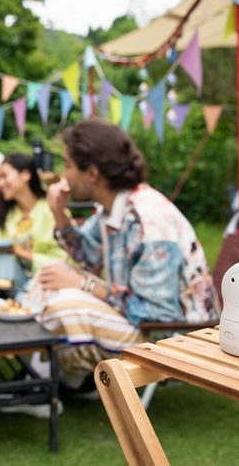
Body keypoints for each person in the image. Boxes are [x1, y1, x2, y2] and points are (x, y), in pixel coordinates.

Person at [38, 119, 220, 384]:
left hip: (175, 338)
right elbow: (87, 256)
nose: (63, 175)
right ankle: (47, 378)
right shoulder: (112, 209)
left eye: (68, 165)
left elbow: (158, 313)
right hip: (137, 319)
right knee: (49, 277)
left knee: (64, 306)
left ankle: (51, 381)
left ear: (92, 173)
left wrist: (85, 284)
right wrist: (60, 215)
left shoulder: (149, 221)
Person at [0, 153, 67, 291]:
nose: (0, 183)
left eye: (4, 176)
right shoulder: (5, 214)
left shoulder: (51, 211)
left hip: (47, 283)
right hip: (6, 283)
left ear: (25, 175)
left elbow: (65, 260)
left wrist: (19, 253)